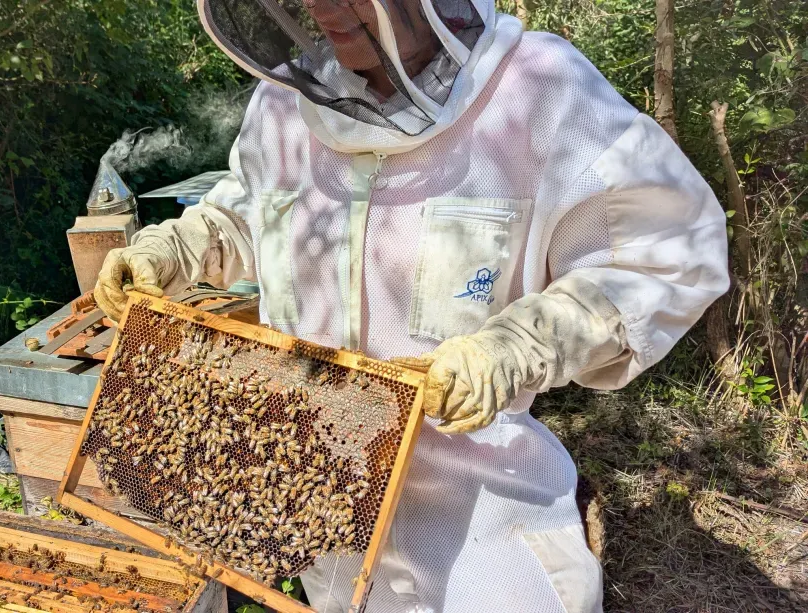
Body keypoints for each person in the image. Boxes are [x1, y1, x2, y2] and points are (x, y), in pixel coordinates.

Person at [94, 1, 730, 611]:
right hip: (312, 484)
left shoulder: (541, 87)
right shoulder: (284, 106)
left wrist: (519, 346)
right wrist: (179, 246)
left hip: (474, 502)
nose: (321, 7)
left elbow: (659, 254)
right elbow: (248, 208)